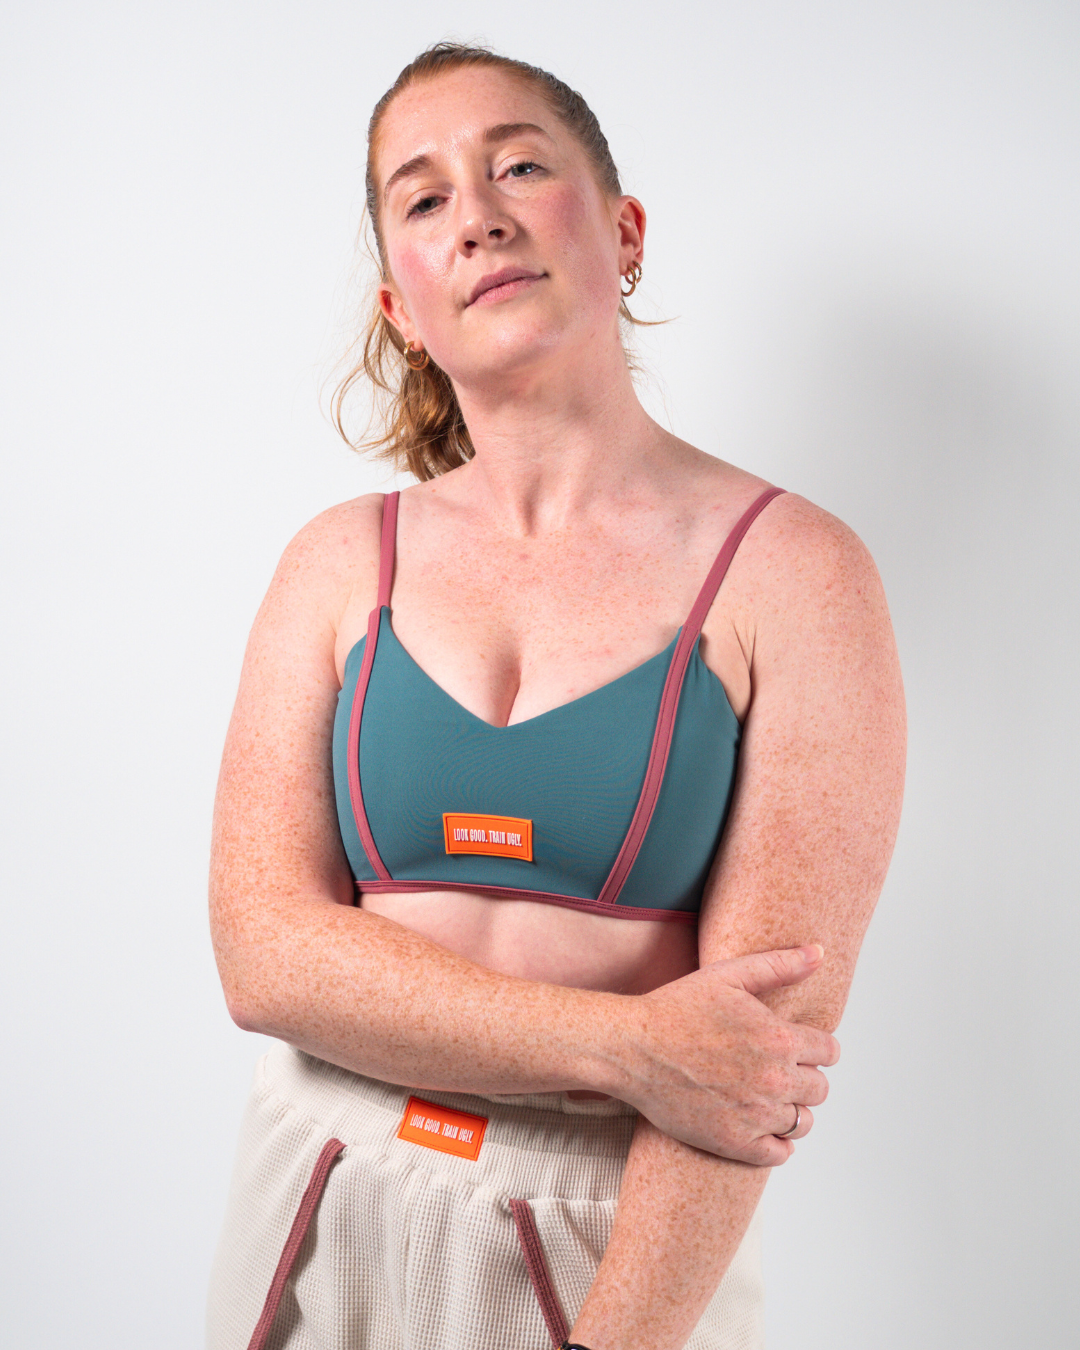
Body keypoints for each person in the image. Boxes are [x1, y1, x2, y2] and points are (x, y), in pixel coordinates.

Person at [206, 42, 905, 1350]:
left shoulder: (799, 574)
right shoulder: (338, 562)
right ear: (401, 308)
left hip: (608, 1239)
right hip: (314, 1190)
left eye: (520, 166)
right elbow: (263, 954)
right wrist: (627, 1044)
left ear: (624, 231)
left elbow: (748, 1064)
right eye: (424, 197)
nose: (477, 214)